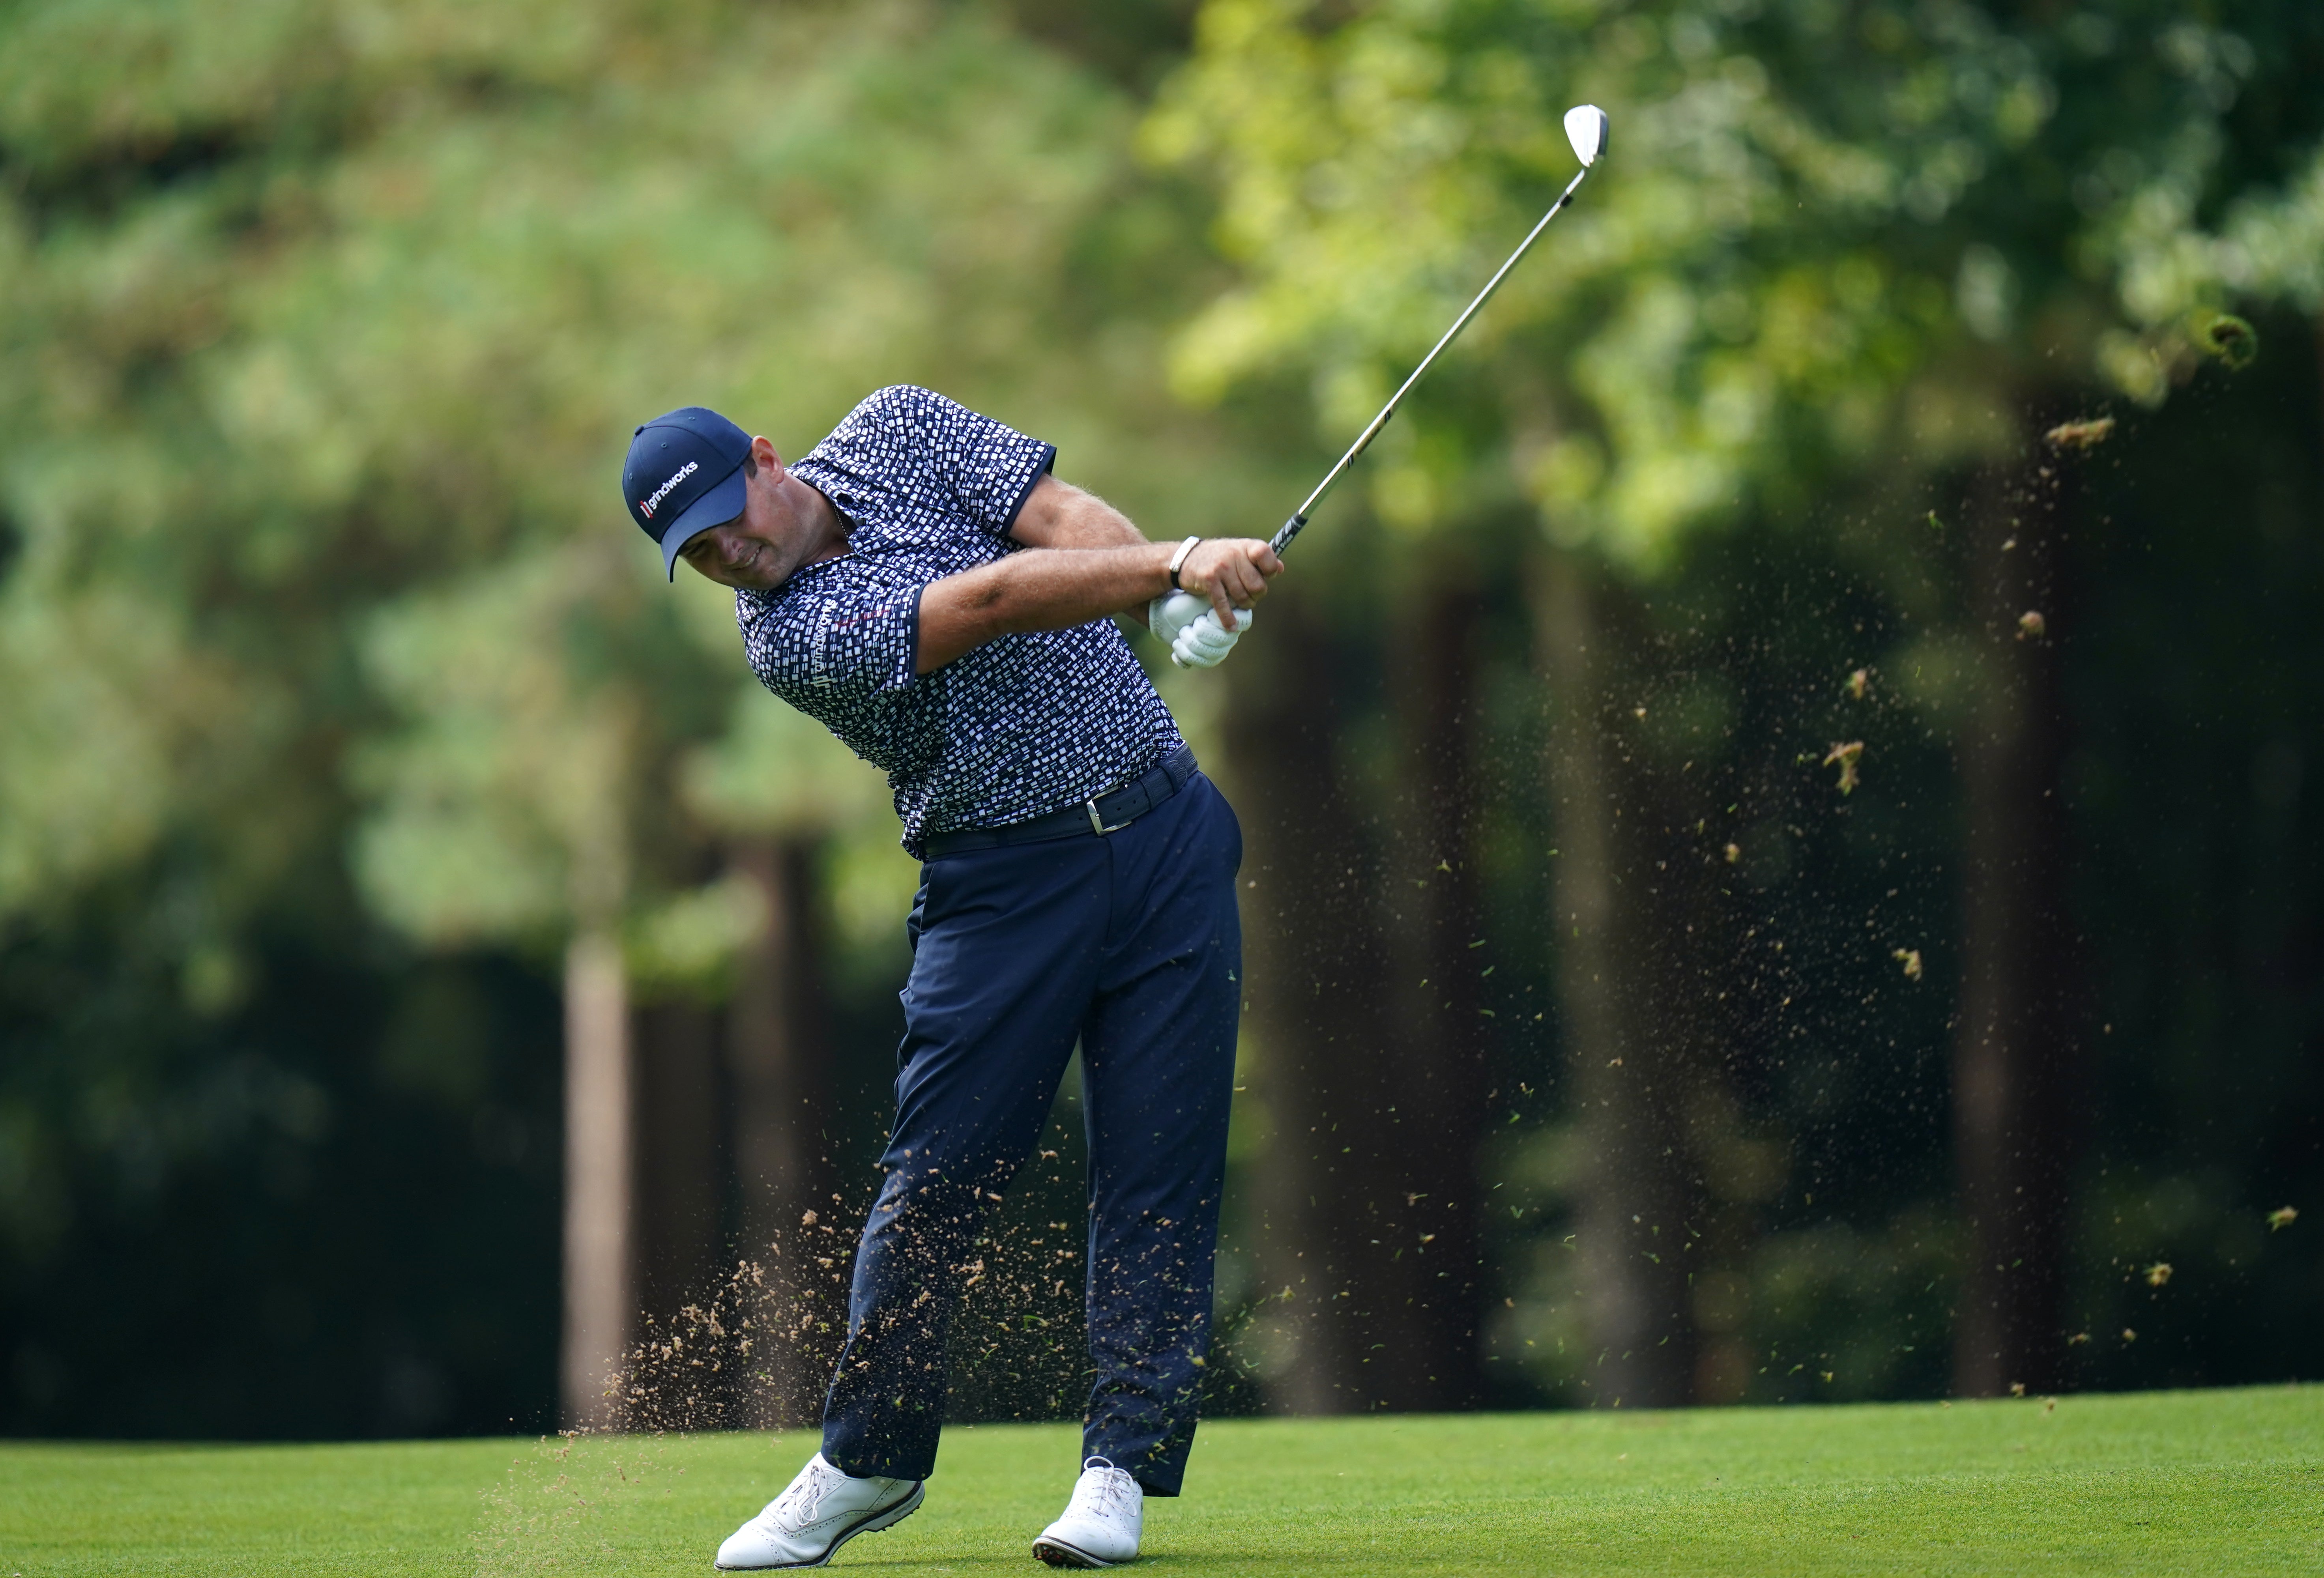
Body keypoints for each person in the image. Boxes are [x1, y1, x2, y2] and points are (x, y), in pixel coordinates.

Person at [619, 389, 1280, 1569]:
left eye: (728, 518)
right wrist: (1175, 563)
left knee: (1159, 1168)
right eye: (701, 553)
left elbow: (1059, 515)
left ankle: (1118, 1469)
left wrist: (1167, 588)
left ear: (766, 458)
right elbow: (986, 599)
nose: (731, 554)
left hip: (1167, 834)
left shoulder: (898, 426)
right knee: (934, 1182)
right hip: (1001, 889)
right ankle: (868, 1460)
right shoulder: (790, 636)